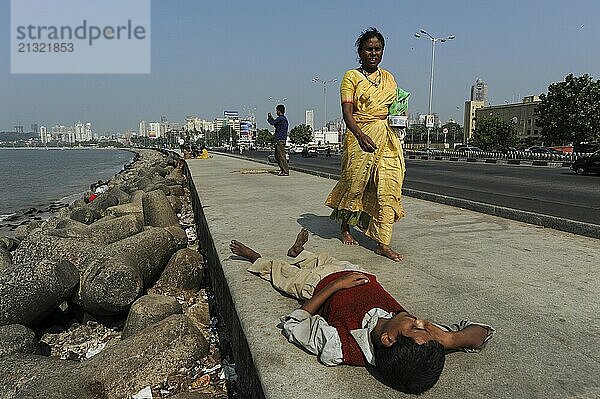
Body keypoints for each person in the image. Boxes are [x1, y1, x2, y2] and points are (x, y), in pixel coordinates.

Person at [229, 229, 495, 394]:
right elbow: (482, 332)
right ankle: (298, 251)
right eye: (423, 326)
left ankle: (256, 258)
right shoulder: (422, 343)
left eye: (414, 328)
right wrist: (451, 339)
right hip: (351, 270)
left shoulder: (342, 347)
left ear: (388, 339)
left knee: (283, 275)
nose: (420, 321)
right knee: (321, 258)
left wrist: (334, 287)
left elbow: (293, 323)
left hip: (318, 286)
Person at [325, 27, 406, 262]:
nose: (373, 53)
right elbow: (347, 114)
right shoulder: (351, 77)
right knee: (355, 184)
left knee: (389, 185)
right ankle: (345, 228)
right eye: (368, 49)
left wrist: (400, 115)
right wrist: (361, 136)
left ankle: (383, 242)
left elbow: (394, 108)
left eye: (377, 49)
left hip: (385, 136)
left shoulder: (389, 78)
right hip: (359, 136)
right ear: (360, 52)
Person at [267, 104, 289, 176]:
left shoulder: (281, 118)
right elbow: (275, 124)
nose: (276, 112)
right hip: (280, 139)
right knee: (277, 156)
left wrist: (269, 117)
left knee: (281, 156)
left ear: (279, 111)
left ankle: (285, 171)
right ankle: (282, 169)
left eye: (276, 111)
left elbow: (273, 122)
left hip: (280, 140)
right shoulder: (282, 119)